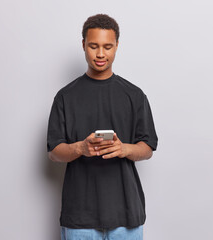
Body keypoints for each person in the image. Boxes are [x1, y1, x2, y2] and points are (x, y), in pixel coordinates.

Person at [47, 13, 158, 240]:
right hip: (79, 217)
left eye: (107, 46)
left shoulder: (134, 96)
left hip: (126, 215)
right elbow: (54, 152)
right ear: (83, 45)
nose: (100, 54)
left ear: (117, 46)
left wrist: (124, 149)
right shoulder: (65, 97)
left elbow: (148, 147)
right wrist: (80, 148)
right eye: (93, 46)